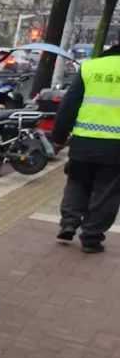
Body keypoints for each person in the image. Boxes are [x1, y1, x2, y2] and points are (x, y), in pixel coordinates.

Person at [52, 42, 120, 253]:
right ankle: (91, 237)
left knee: (77, 182)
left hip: (83, 141)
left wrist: (59, 137)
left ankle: (69, 223)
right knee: (106, 192)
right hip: (115, 147)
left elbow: (69, 104)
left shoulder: (90, 67)